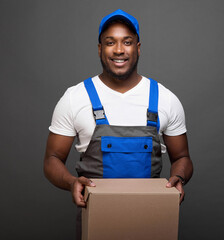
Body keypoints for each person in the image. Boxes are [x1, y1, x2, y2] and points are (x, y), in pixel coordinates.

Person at [43, 8, 193, 238]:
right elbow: (52, 160)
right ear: (100, 48)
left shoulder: (165, 99)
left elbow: (182, 158)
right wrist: (72, 182)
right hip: (95, 222)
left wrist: (178, 178)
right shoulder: (75, 98)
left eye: (128, 42)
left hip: (154, 221)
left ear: (138, 48)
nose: (119, 50)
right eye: (110, 42)